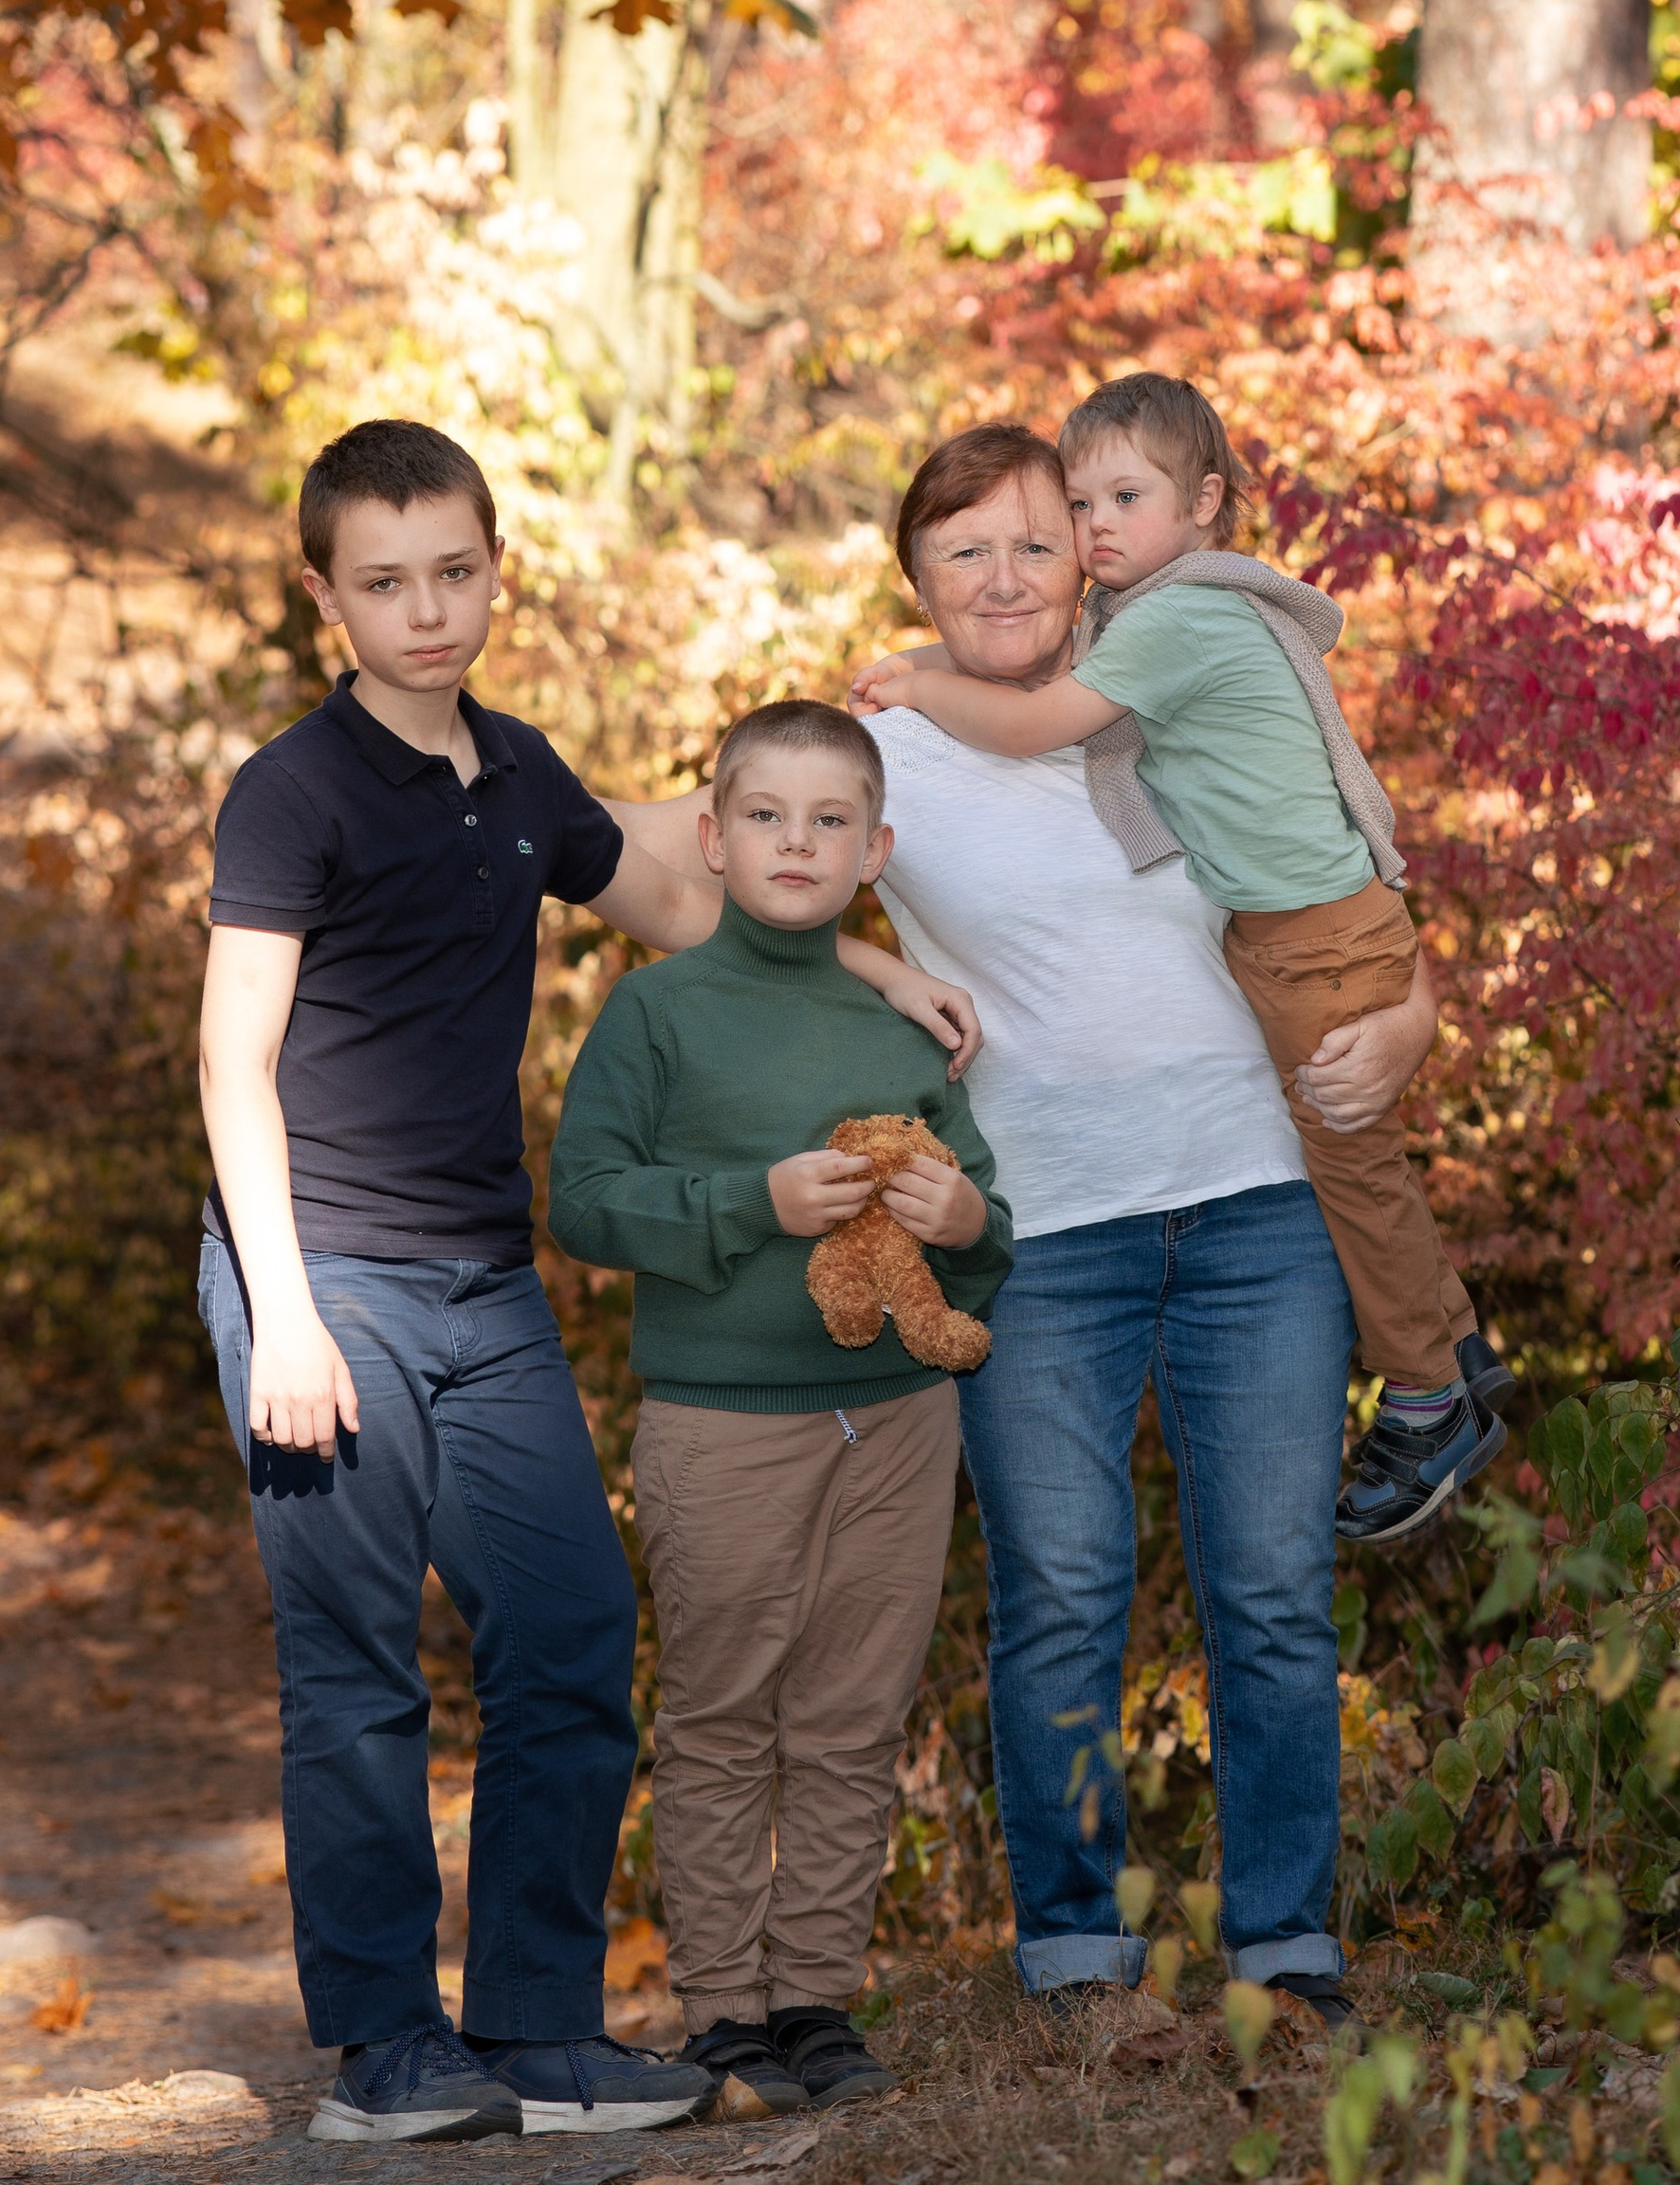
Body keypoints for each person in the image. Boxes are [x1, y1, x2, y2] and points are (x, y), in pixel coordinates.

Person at [194, 422, 979, 2143]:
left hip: (484, 1284)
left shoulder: (518, 778)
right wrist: (287, 1313)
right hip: (319, 1271)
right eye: (385, 582)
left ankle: (539, 2029)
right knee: (357, 1671)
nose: (427, 611)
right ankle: (386, 2050)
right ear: (325, 594)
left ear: (495, 567)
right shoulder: (293, 791)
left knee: (568, 1634)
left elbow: (703, 907)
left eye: (455, 573)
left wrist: (863, 963)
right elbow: (232, 1061)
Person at [618, 426, 1441, 2019]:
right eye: (961, 551)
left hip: (1263, 1208)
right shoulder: (889, 748)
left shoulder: (1185, 686)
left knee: (1269, 1588)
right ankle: (1075, 1946)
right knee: (1063, 1589)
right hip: (1038, 1233)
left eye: (1033, 542)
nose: (1002, 577)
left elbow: (1361, 888)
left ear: (1089, 553)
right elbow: (671, 872)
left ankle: (1287, 1939)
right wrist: (872, 967)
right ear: (915, 579)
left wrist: (1408, 1024)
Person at [851, 374, 1509, 1545]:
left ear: (1204, 504)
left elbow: (1031, 718)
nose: (1097, 529)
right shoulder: (1139, 632)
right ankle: (1453, 1347)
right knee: (1366, 1161)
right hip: (1091, 1168)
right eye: (1084, 503)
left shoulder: (1168, 627)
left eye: (1114, 504)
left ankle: (1429, 1391)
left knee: (1353, 1170)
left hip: (1293, 1021)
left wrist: (914, 678)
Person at [548, 698, 1013, 2120]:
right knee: (722, 1712)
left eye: (829, 822)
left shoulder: (897, 1019)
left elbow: (984, 1231)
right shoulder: (659, 1010)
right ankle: (724, 2010)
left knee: (853, 1714)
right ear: (713, 837)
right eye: (766, 817)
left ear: (873, 850)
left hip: (898, 1419)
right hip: (723, 1420)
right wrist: (748, 1202)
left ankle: (815, 1996)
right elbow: (581, 1203)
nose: (796, 843)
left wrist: (961, 1213)